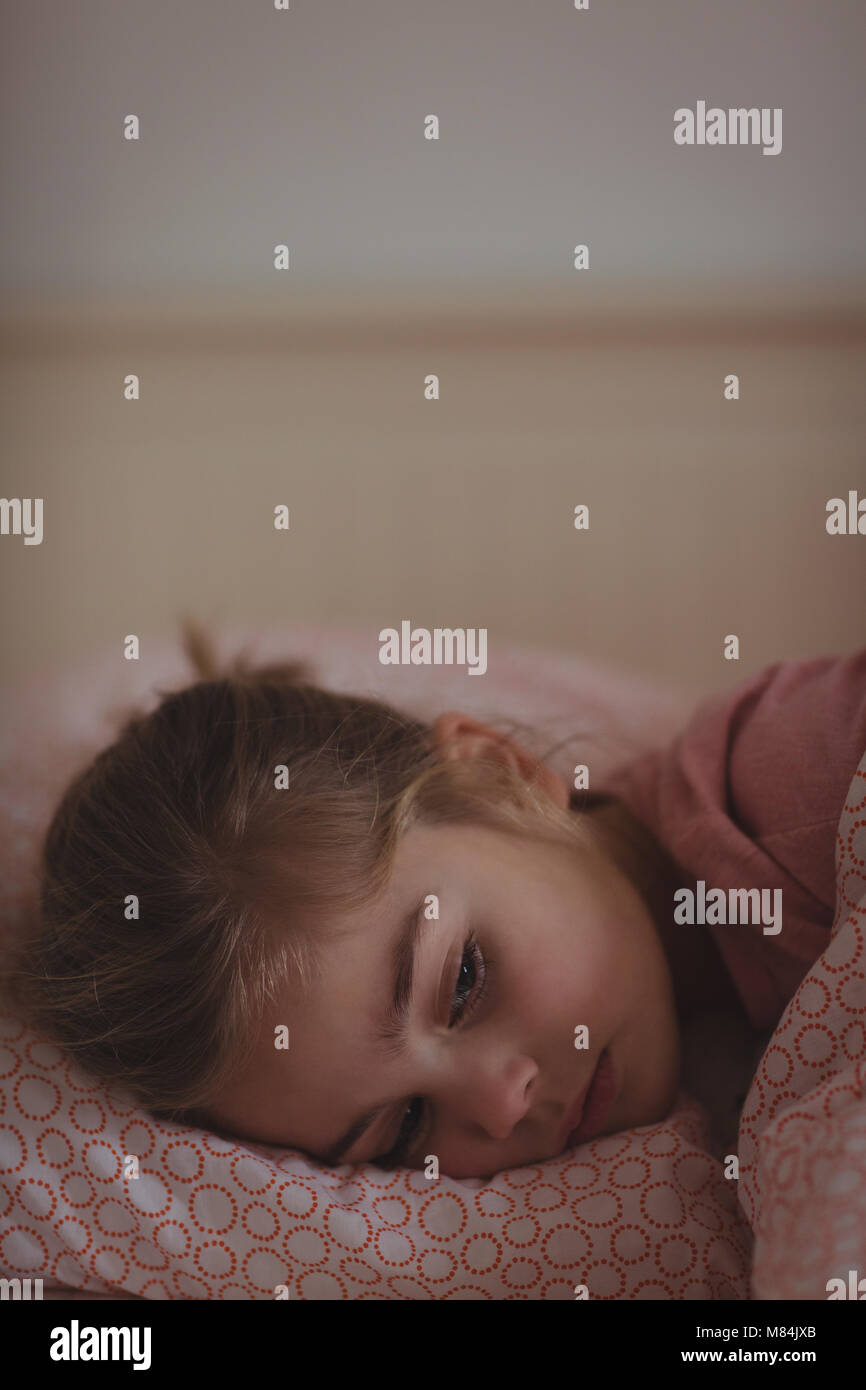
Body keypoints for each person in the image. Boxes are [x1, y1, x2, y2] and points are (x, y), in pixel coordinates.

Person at [8, 623, 865, 1180]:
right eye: (407, 1124)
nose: (501, 1105)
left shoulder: (804, 785)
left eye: (462, 982)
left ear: (500, 774)